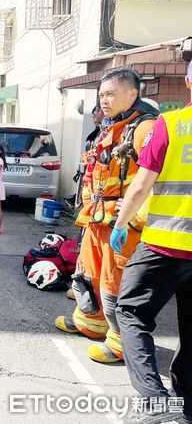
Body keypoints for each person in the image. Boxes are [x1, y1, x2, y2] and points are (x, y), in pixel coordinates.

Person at [55, 69, 158, 363]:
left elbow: (151, 180)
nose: (104, 100)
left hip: (121, 223)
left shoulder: (143, 128)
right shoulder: (111, 126)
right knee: (89, 273)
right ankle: (91, 323)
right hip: (97, 218)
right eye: (101, 94)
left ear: (132, 94)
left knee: (117, 283)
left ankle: (120, 343)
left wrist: (132, 221)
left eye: (111, 94)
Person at [110, 60, 192, 422]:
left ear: (188, 82)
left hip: (166, 243)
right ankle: (185, 407)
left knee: (130, 312)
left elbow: (141, 184)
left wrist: (121, 222)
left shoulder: (171, 124)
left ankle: (156, 403)